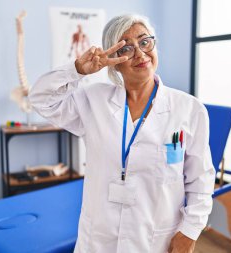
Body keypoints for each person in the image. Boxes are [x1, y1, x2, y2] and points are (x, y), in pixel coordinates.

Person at [29, 14, 215, 253]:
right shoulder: (94, 100)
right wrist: (77, 70)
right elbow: (41, 99)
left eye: (144, 42)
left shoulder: (189, 109)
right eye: (126, 48)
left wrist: (189, 232)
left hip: (155, 240)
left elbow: (201, 180)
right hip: (99, 238)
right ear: (114, 60)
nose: (139, 53)